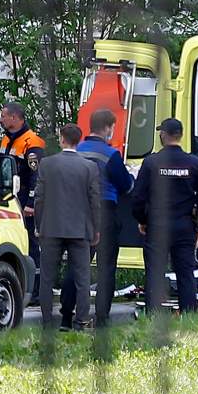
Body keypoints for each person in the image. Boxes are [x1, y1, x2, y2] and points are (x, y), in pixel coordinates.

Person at [59, 108, 134, 328]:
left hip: (77, 212)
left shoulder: (77, 150)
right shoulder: (110, 155)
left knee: (76, 265)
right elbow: (126, 185)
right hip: (104, 211)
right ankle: (101, 317)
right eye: (112, 127)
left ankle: (65, 317)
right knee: (106, 266)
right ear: (108, 128)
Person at [132, 118, 198, 315]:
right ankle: (189, 316)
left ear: (163, 135)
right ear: (181, 135)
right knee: (185, 274)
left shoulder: (151, 163)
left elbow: (138, 197)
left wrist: (142, 220)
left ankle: (154, 316)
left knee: (154, 273)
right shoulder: (195, 163)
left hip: (157, 226)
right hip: (184, 227)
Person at [33, 123, 100, 330]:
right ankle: (80, 320)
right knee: (82, 278)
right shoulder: (89, 167)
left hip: (51, 227)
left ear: (62, 139)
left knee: (47, 277)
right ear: (79, 140)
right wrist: (95, 229)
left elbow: (39, 198)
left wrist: (38, 224)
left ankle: (46, 321)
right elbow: (94, 201)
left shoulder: (47, 164)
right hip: (80, 230)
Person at [0, 102, 46, 303]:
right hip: (9, 198)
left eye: (3, 116)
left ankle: (36, 290)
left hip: (25, 199)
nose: (1, 119)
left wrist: (31, 203)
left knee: (32, 245)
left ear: (15, 118)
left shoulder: (32, 142)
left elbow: (36, 175)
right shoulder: (6, 139)